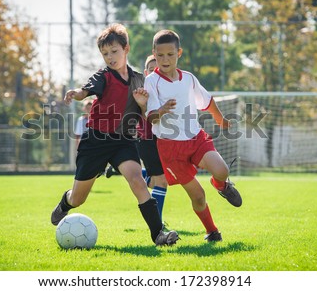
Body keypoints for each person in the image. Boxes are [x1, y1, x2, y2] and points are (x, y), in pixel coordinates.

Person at [51, 23, 179, 246]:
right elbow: (86, 90)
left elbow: (147, 115)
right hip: (96, 141)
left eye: (114, 52)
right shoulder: (103, 76)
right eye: (105, 54)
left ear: (126, 49)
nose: (110, 57)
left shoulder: (140, 80)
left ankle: (158, 234)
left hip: (123, 141)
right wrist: (77, 94)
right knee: (78, 198)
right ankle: (66, 202)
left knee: (137, 180)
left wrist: (142, 104)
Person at [144, 29, 242, 242]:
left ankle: (221, 185)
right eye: (160, 55)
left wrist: (221, 120)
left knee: (222, 170)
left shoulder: (188, 78)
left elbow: (207, 100)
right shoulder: (152, 81)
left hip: (196, 138)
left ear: (179, 53)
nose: (165, 59)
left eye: (170, 54)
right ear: (154, 53)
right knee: (198, 196)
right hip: (170, 149)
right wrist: (161, 110)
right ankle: (212, 231)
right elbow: (150, 117)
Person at [106, 55, 168, 223]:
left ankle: (119, 169)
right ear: (146, 72)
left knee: (163, 178)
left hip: (163, 139)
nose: (158, 72)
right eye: (153, 70)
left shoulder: (168, 87)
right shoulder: (141, 90)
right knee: (161, 181)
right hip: (146, 138)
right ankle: (158, 224)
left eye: (161, 69)